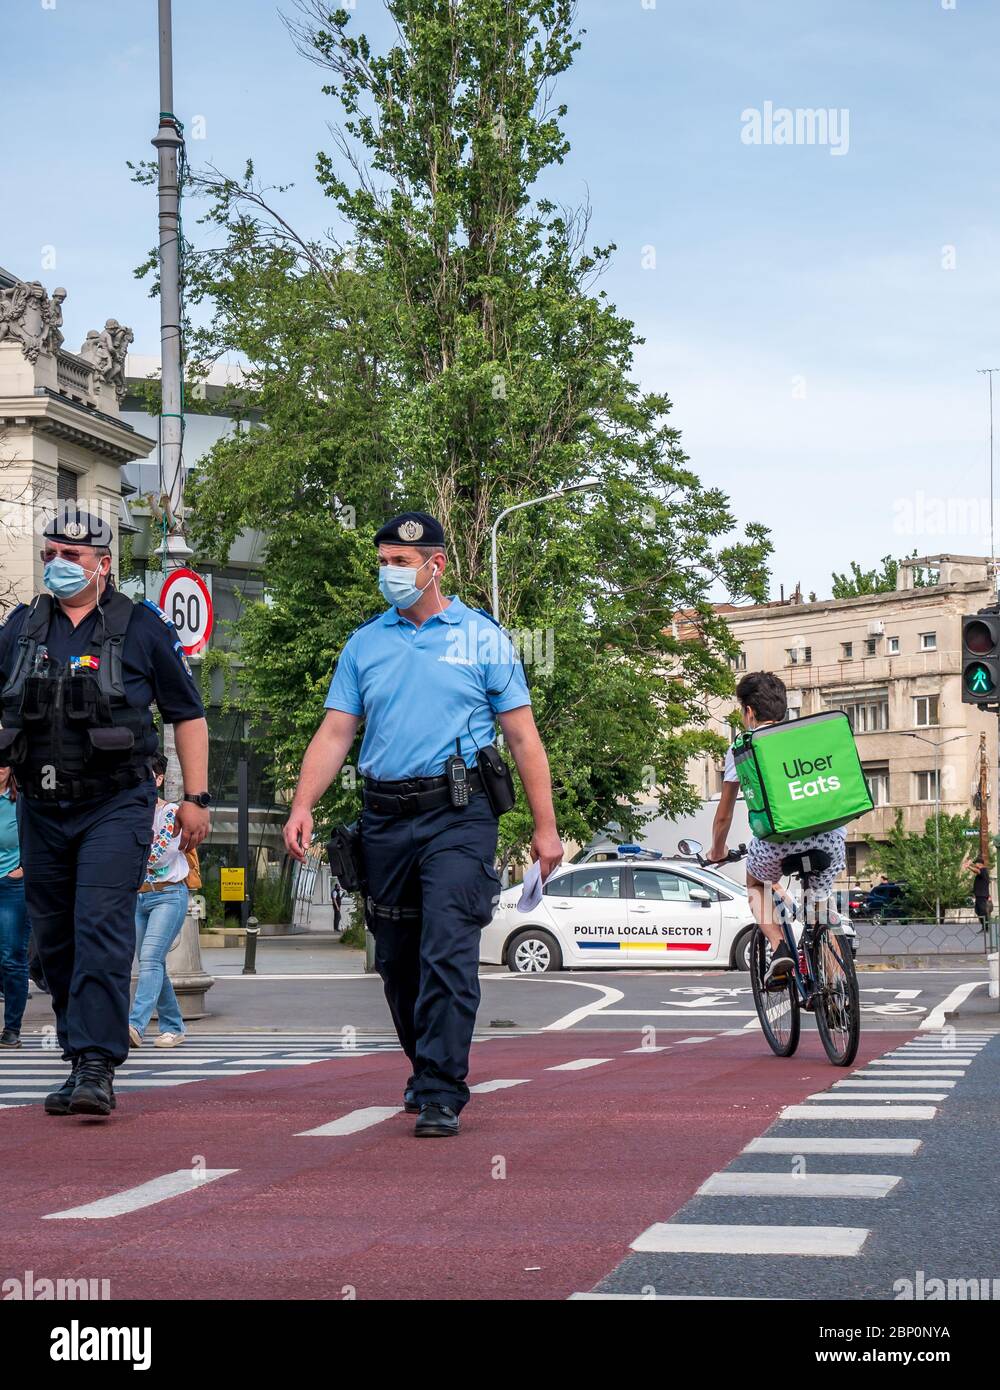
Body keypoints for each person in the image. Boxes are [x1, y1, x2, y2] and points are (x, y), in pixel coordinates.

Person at [284, 511, 563, 1137]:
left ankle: (441, 1087)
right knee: (397, 960)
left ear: (435, 566)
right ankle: (424, 1065)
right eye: (383, 562)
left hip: (458, 817)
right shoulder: (365, 644)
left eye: (400, 563)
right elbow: (335, 733)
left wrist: (546, 830)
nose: (389, 573)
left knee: (447, 950)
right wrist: (302, 805)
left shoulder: (483, 639)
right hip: (384, 818)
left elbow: (522, 736)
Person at [0, 505, 211, 1118]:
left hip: (116, 806)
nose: (58, 565)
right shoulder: (22, 628)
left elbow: (188, 715)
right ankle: (79, 1052)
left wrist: (195, 799)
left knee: (98, 925)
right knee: (52, 943)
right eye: (50, 554)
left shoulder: (141, 627)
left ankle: (96, 1064)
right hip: (40, 806)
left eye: (72, 555)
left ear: (103, 564)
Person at [709, 670, 846, 985]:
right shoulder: (810, 735)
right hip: (830, 838)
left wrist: (717, 849)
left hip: (777, 844)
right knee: (820, 908)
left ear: (750, 712)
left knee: (756, 886)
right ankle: (840, 994)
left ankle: (779, 946)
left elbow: (724, 815)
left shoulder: (744, 747)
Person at [129, 753, 197, 1049]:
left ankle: (134, 1025)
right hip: (138, 896)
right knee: (151, 962)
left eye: (148, 775)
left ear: (158, 779)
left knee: (151, 959)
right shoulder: (129, 812)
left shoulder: (173, 812)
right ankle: (173, 1025)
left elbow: (163, 853)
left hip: (169, 894)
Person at [0, 766, 29, 1048]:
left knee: (11, 957)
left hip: (12, 886)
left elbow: (40, 835)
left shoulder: (21, 799)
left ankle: (12, 1029)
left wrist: (24, 868)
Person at [972, 859, 992, 934]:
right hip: (979, 895)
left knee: (982, 912)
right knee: (978, 911)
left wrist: (968, 867)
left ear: (980, 864)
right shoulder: (981, 871)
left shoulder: (983, 870)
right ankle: (984, 927)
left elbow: (976, 871)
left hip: (982, 896)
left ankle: (986, 928)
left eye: (976, 863)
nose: (975, 865)